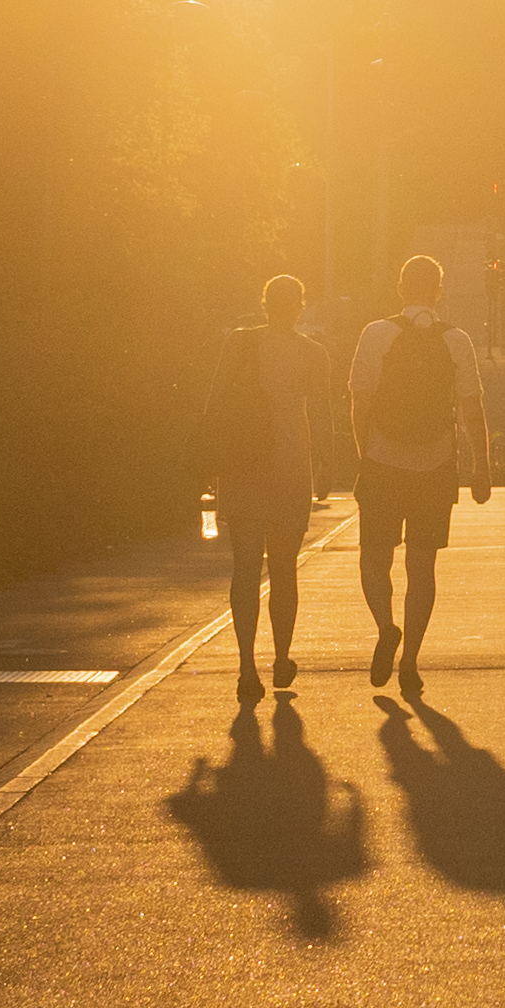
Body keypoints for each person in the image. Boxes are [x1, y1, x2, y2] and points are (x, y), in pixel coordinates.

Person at [347, 252, 491, 698]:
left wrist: (364, 453)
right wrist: (480, 466)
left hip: (383, 463)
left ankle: (386, 627)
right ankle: (410, 662)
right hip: (435, 466)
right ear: (439, 291)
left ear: (400, 288)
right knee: (422, 566)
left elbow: (360, 401)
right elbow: (472, 410)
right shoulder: (457, 340)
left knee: (374, 557)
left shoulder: (377, 334)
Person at [197, 275, 330, 703]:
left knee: (246, 567)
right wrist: (325, 467)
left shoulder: (238, 342)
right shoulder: (314, 354)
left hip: (243, 465)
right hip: (292, 465)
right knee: (285, 568)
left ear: (264, 303)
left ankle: (245, 666)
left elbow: (215, 402)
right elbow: (323, 415)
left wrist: (208, 463)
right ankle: (283, 656)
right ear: (301, 307)